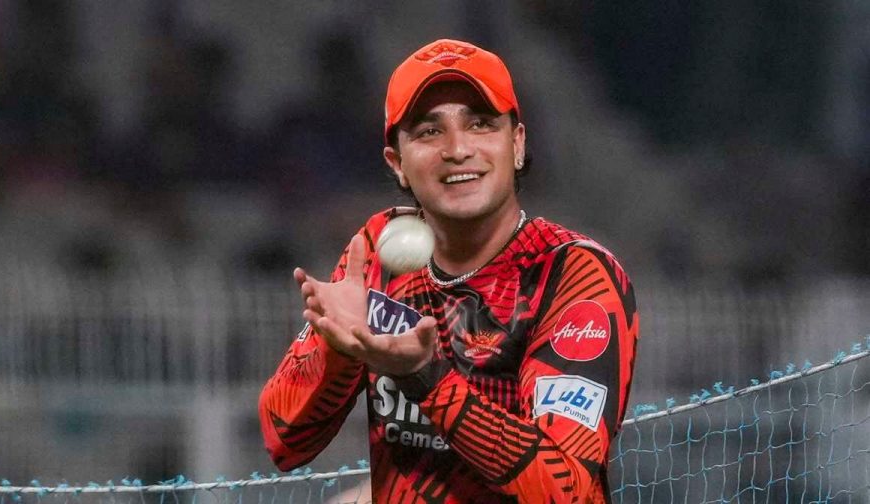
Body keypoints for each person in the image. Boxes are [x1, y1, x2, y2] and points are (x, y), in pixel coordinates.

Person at [259, 39, 639, 503]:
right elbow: (283, 443)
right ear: (397, 163)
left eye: (480, 124)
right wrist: (338, 352)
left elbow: (566, 491)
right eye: (428, 132)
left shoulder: (571, 272)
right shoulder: (376, 251)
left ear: (517, 144)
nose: (458, 149)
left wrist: (428, 377)